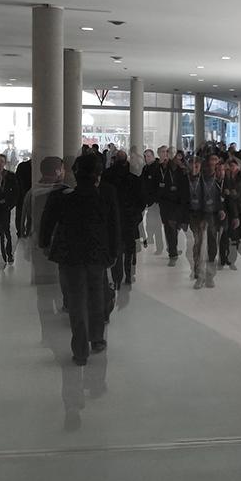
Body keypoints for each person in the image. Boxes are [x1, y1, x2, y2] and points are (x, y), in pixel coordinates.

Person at [39, 154, 120, 366]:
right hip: (97, 255)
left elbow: (47, 222)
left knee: (76, 301)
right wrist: (114, 252)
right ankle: (97, 338)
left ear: (75, 173)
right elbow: (114, 226)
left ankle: (80, 350)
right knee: (96, 296)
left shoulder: (62, 197)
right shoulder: (106, 195)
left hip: (70, 256)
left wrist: (44, 243)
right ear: (98, 174)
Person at [20, 156, 69, 287]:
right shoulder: (65, 192)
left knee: (41, 283)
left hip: (37, 240)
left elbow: (24, 218)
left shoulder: (32, 192)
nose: (64, 172)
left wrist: (25, 235)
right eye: (63, 169)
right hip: (59, 242)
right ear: (58, 171)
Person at [104, 150, 145, 290]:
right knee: (129, 248)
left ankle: (117, 278)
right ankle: (128, 274)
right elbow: (141, 200)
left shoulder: (107, 177)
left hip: (114, 219)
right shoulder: (133, 179)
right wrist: (136, 215)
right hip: (130, 219)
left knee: (116, 247)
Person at [186, 156, 226, 289]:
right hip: (201, 215)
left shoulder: (220, 179)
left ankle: (210, 276)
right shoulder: (200, 178)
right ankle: (199, 274)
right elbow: (199, 197)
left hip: (214, 216)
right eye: (210, 163)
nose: (212, 166)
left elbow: (222, 198)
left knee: (212, 247)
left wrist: (221, 210)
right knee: (199, 245)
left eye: (215, 163)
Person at [221, 158, 241, 269]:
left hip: (239, 210)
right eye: (230, 166)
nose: (231, 168)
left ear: (238, 167)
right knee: (226, 234)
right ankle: (224, 257)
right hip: (227, 209)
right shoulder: (226, 178)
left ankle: (232, 259)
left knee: (235, 236)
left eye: (233, 166)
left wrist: (235, 196)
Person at [14, 156, 33, 238]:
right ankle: (20, 233)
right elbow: (17, 181)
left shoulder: (23, 166)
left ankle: (27, 233)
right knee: (20, 215)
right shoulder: (22, 166)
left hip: (31, 195)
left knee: (30, 216)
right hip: (22, 195)